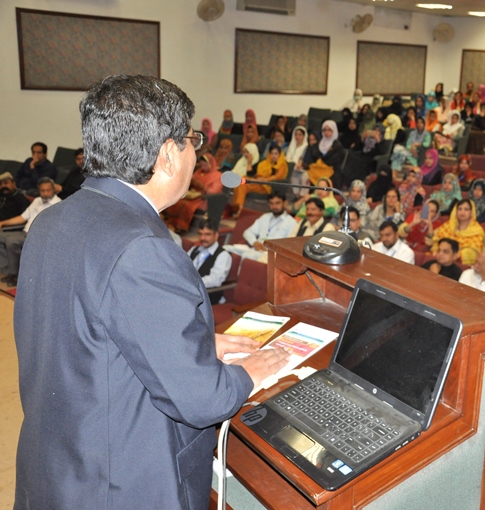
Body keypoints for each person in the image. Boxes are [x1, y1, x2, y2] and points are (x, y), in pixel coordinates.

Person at [14, 75, 290, 510]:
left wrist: (193, 344)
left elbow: (86, 337)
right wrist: (252, 370)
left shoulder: (53, 220)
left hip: (55, 467)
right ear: (167, 154)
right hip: (119, 485)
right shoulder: (141, 247)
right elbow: (202, 400)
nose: (196, 153)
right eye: (192, 140)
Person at [0, 177, 61, 287]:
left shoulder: (58, 204)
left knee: (11, 241)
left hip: (37, 236)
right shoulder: (37, 201)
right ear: (39, 190)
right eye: (43, 191)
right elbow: (22, 218)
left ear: (54, 189)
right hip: (24, 232)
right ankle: (8, 270)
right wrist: (2, 223)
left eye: (48, 190)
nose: (46, 193)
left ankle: (15, 274)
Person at [164, 152, 223, 232]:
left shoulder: (218, 176)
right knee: (175, 201)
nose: (203, 167)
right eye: (201, 165)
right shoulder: (199, 172)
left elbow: (214, 191)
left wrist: (202, 186)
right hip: (193, 195)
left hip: (204, 199)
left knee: (185, 205)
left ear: (211, 164)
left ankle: (180, 227)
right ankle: (171, 224)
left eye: (205, 165)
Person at [229, 190, 296, 261]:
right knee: (226, 249)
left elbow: (289, 246)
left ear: (285, 203)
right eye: (271, 203)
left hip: (271, 256)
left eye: (277, 203)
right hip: (255, 249)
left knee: (246, 257)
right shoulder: (265, 217)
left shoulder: (291, 222)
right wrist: (254, 242)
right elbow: (248, 232)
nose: (274, 206)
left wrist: (269, 249)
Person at [231, 142, 288, 215]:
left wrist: (265, 180)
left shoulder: (282, 165)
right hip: (258, 183)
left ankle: (238, 211)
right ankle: (235, 209)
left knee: (242, 184)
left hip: (267, 186)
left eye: (276, 154)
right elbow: (258, 175)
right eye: (272, 153)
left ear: (280, 155)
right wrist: (257, 179)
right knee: (240, 181)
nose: (273, 156)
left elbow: (277, 177)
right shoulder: (264, 163)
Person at [188, 220, 232, 304]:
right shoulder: (194, 249)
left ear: (216, 235)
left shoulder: (223, 255)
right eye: (200, 234)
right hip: (189, 290)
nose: (202, 238)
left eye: (207, 234)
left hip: (206, 296)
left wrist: (192, 283)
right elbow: (182, 266)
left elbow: (215, 280)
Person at [431, 199, 485, 265]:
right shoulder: (448, 226)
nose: (462, 212)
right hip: (439, 257)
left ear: (471, 212)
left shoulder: (476, 230)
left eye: (466, 209)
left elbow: (474, 252)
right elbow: (436, 240)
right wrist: (436, 251)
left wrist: (453, 257)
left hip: (460, 263)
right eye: (460, 209)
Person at [304, 120, 345, 188]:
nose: (326, 132)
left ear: (334, 131)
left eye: (329, 130)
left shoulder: (337, 146)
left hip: (331, 172)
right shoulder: (318, 144)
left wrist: (320, 160)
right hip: (316, 170)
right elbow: (311, 159)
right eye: (324, 130)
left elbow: (333, 161)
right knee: (305, 177)